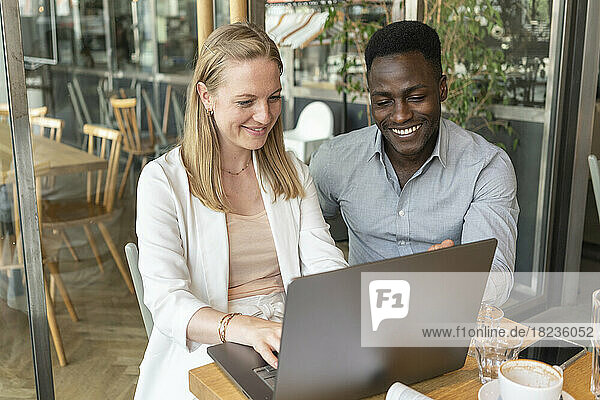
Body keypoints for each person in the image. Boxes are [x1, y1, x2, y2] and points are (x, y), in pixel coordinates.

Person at [135, 23, 347, 400]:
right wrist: (245, 327)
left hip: (291, 332)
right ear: (206, 97)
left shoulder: (293, 171)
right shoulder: (162, 182)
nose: (265, 116)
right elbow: (167, 303)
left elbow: (324, 264)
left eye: (274, 98)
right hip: (209, 338)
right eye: (246, 102)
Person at [310, 21, 518, 306]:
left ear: (442, 89)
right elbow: (298, 234)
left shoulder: (486, 167)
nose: (399, 116)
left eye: (416, 97)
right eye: (383, 102)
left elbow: (496, 278)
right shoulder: (335, 161)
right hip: (359, 322)